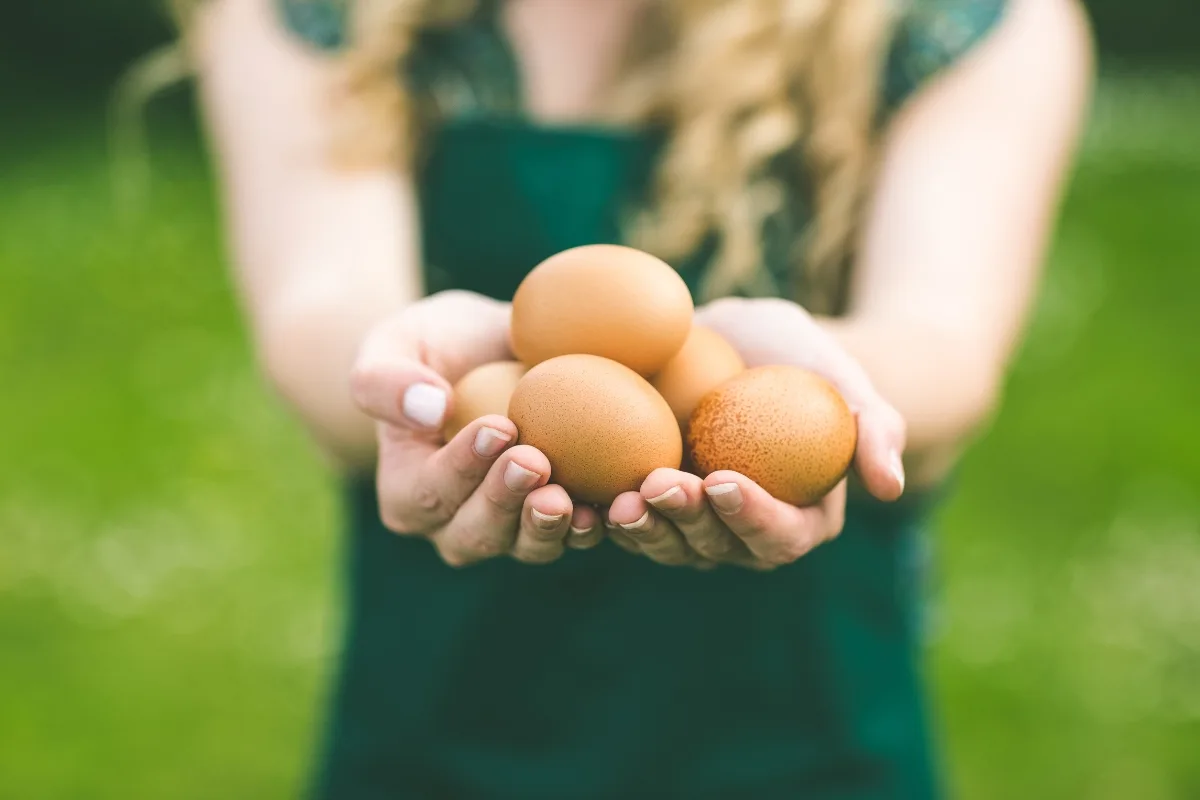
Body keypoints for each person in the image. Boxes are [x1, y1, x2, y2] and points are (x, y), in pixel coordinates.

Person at [179, 0, 1092, 796]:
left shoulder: (953, 21)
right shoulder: (328, 13)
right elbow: (319, 313)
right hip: (445, 716)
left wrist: (804, 392)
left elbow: (943, 345)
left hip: (799, 724)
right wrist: (422, 379)